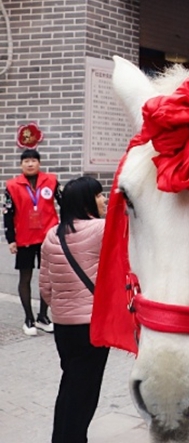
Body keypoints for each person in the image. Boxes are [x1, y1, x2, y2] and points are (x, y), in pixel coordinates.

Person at [40, 177, 109, 443]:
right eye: (99, 195)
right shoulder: (101, 229)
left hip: (63, 327)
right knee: (85, 393)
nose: (104, 200)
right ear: (86, 201)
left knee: (70, 386)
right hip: (91, 327)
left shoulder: (51, 235)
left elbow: (45, 288)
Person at [3, 148, 59, 335]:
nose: (30, 163)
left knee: (48, 278)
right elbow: (8, 214)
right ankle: (28, 319)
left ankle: (43, 316)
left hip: (48, 236)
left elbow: (64, 202)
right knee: (25, 277)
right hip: (25, 238)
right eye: (26, 161)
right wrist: (11, 239)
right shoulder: (12, 186)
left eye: (33, 160)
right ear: (21, 165)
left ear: (39, 163)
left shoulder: (51, 181)